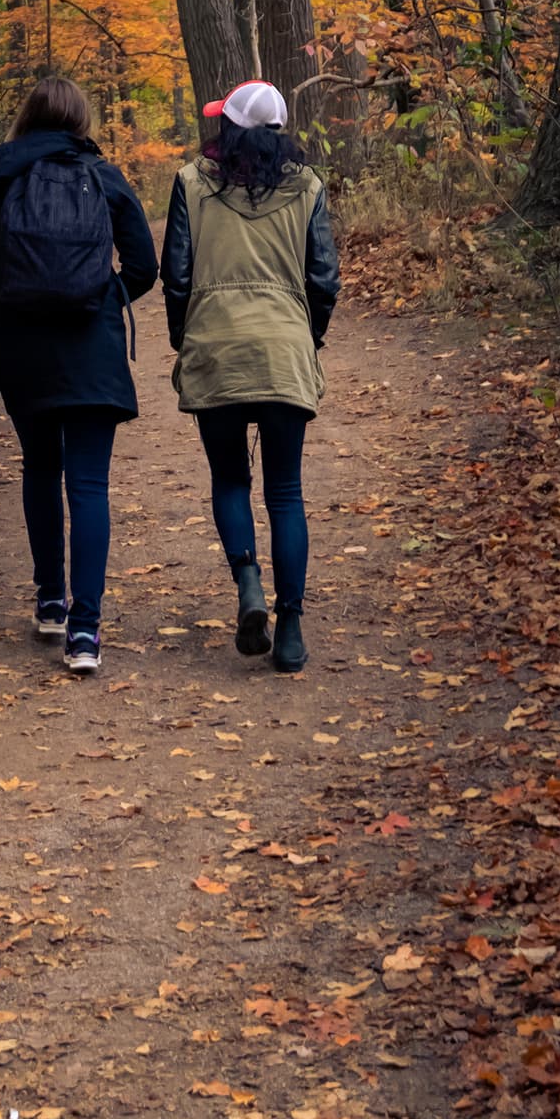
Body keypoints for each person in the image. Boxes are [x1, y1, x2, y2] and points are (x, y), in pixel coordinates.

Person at [0, 74, 159, 675]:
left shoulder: (3, 179)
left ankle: (50, 600)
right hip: (91, 347)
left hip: (25, 350)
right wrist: (105, 294)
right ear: (80, 121)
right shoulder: (103, 176)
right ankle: (85, 633)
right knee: (89, 485)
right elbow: (146, 265)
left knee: (41, 470)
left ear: (28, 117)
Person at [162, 79, 339, 674]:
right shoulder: (309, 186)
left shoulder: (192, 182)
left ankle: (248, 587)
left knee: (231, 480)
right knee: (285, 492)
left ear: (230, 127)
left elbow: (177, 277)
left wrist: (182, 341)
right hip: (285, 348)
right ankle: (290, 630)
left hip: (215, 345)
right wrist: (305, 339)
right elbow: (324, 280)